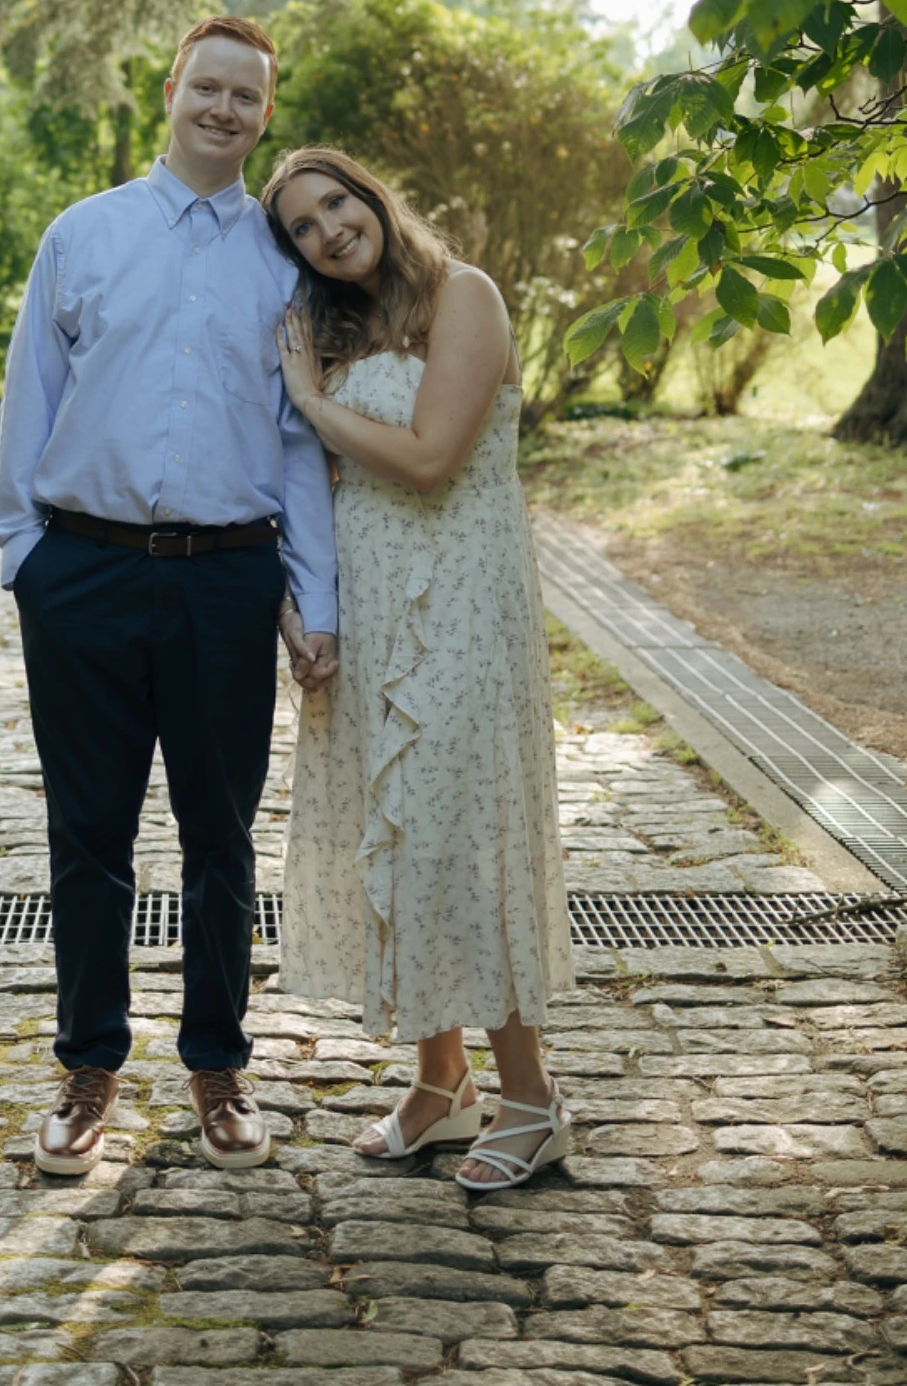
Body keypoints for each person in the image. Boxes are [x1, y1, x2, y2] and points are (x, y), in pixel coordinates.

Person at [0, 17, 338, 1181]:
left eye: (246, 95)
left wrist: (313, 598)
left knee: (220, 836)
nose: (223, 108)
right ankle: (87, 1066)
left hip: (227, 580)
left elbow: (295, 442)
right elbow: (31, 398)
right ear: (172, 91)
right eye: (207, 86)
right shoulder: (83, 235)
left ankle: (218, 1067)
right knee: (88, 835)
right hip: (81, 573)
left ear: (264, 115)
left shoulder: (283, 267)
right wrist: (25, 555)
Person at [262, 145, 575, 1193]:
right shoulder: (335, 332)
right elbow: (312, 489)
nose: (327, 232)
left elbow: (433, 458)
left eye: (335, 203)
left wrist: (311, 402)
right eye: (302, 228)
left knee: (464, 830)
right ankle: (442, 1083)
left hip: (464, 609)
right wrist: (302, 612)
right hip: (373, 612)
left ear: (372, 196)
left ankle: (533, 1099)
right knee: (393, 828)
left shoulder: (463, 296)